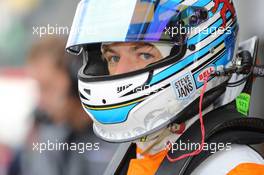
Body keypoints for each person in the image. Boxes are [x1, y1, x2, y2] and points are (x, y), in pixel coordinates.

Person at [66, 0, 264, 174]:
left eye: (144, 55)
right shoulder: (135, 154)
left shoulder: (235, 169)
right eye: (113, 58)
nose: (120, 71)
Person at [9, 36, 117, 175]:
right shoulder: (44, 135)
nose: (40, 101)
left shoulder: (119, 135)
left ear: (75, 80)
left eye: (47, 87)